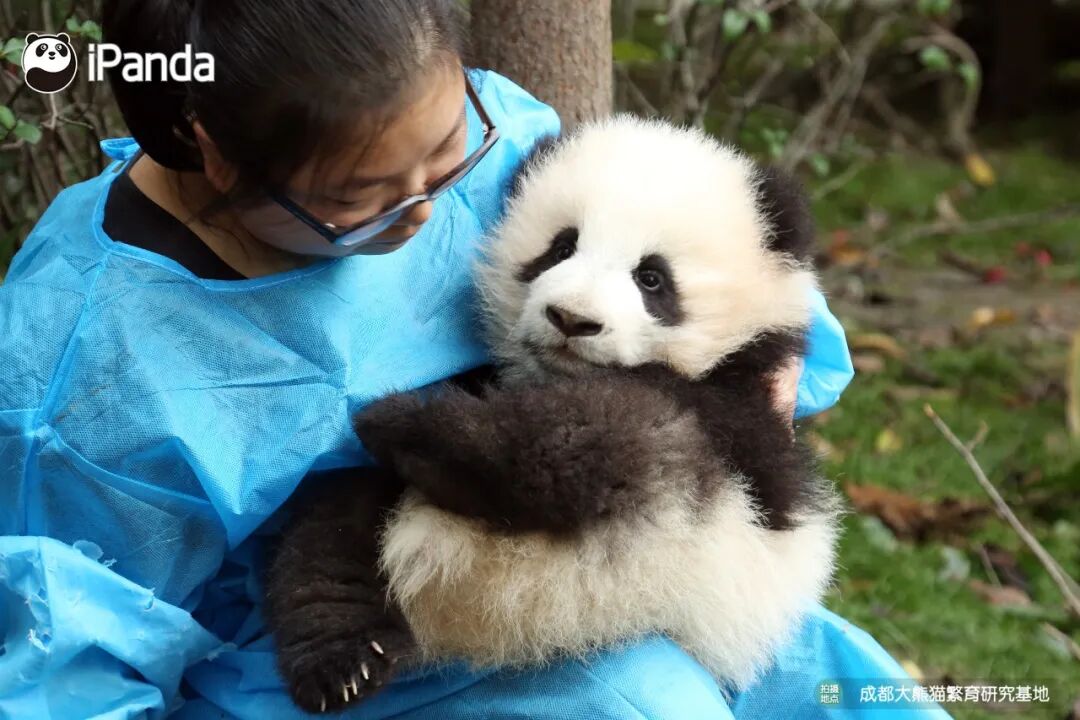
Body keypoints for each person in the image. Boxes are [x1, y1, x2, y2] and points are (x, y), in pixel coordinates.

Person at [0, 1, 945, 718]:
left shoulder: (479, 130)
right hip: (338, 649)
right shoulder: (85, 371)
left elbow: (730, 269)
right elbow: (64, 661)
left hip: (617, 539)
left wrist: (754, 384)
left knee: (846, 689)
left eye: (450, 151)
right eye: (365, 194)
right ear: (214, 153)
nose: (426, 208)